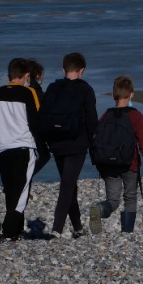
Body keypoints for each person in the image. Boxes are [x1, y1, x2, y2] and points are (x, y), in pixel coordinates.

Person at [0, 57, 41, 241]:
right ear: (27, 75)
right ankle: (9, 232)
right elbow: (35, 122)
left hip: (3, 150)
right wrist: (43, 145)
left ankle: (16, 231)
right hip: (24, 148)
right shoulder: (29, 93)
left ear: (9, 75)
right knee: (21, 193)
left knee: (11, 190)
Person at [88, 76, 143, 234]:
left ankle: (99, 208)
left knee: (113, 200)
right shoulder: (136, 116)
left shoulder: (106, 115)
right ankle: (127, 233)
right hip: (129, 164)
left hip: (107, 164)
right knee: (130, 198)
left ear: (113, 96)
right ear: (132, 94)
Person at [42, 52, 98, 239]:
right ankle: (57, 228)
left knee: (69, 182)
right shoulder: (86, 89)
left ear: (64, 69)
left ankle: (77, 226)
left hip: (56, 142)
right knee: (67, 184)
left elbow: (43, 115)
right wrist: (93, 143)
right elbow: (91, 120)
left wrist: (46, 139)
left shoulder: (52, 87)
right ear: (82, 70)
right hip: (77, 143)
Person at [28, 58, 52, 176]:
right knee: (44, 155)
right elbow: (44, 110)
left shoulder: (25, 88)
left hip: (27, 128)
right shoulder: (36, 90)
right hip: (34, 129)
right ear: (38, 75)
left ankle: (24, 179)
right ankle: (25, 179)